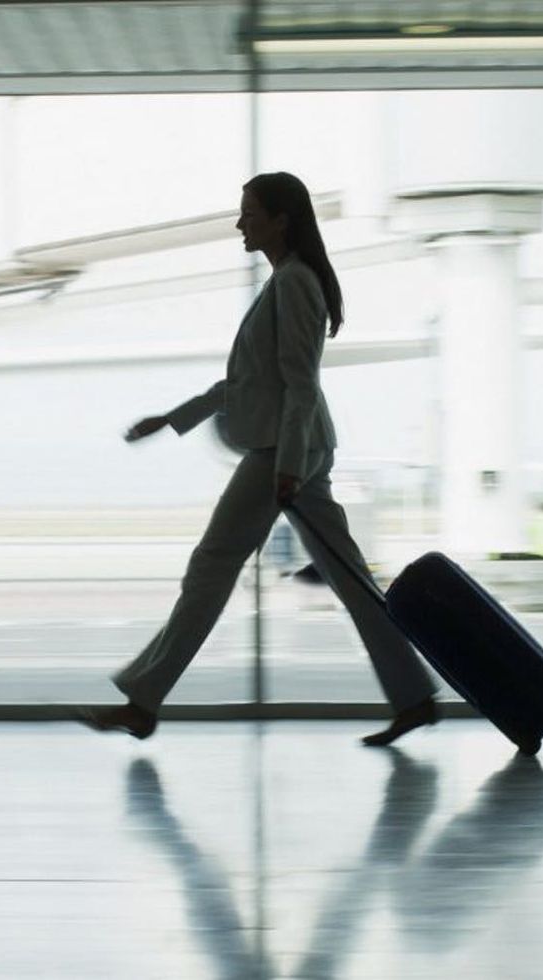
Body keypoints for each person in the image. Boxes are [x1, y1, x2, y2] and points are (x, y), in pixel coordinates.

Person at [78, 171, 438, 746]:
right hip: (295, 449)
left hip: (281, 452)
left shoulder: (294, 284)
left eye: (249, 212)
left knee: (211, 567)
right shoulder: (286, 282)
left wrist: (289, 467)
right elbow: (247, 383)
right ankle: (413, 696)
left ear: (280, 219)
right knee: (348, 580)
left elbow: (299, 383)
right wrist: (173, 419)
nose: (239, 222)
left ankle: (143, 701)